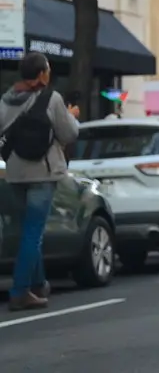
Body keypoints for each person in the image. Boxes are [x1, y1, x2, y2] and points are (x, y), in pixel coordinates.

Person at [0, 52, 80, 311]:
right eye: (48, 70)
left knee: (27, 231)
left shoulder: (5, 100)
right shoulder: (51, 98)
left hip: (14, 173)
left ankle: (38, 284)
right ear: (42, 74)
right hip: (42, 174)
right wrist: (72, 115)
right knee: (33, 234)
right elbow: (69, 132)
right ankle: (20, 291)